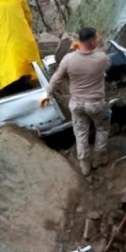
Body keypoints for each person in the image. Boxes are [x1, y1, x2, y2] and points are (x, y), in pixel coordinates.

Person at [40, 27, 111, 176]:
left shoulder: (68, 59)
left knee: (80, 134)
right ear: (92, 41)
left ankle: (84, 165)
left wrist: (48, 94)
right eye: (96, 38)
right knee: (102, 129)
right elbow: (107, 63)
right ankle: (98, 159)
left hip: (77, 104)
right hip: (96, 103)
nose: (97, 40)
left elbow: (56, 78)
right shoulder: (101, 58)